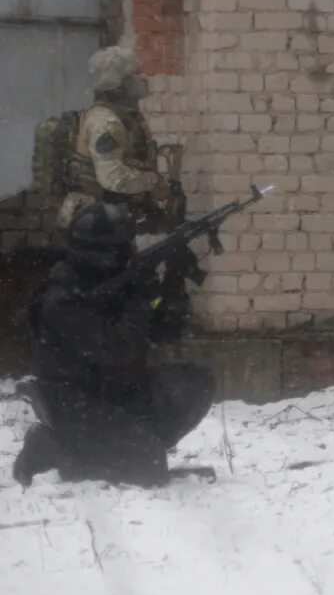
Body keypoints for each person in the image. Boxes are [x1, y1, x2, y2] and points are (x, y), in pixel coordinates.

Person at [14, 203, 215, 487]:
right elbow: (117, 349)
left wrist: (172, 283)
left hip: (116, 391)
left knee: (197, 379)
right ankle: (56, 447)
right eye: (121, 248)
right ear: (102, 254)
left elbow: (166, 333)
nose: (128, 254)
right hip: (72, 402)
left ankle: (122, 447)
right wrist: (139, 297)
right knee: (150, 469)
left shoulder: (116, 283)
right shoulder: (61, 300)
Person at [58, 46, 176, 231]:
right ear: (119, 83)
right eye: (137, 73)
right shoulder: (105, 122)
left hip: (112, 219)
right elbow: (113, 178)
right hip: (95, 223)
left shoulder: (124, 116)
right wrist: (153, 183)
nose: (144, 78)